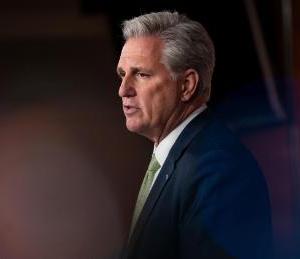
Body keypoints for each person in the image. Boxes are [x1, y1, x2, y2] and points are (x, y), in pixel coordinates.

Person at [116, 11, 272, 259]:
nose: (123, 90)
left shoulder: (219, 169)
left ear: (186, 86)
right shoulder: (176, 155)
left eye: (141, 74)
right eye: (123, 75)